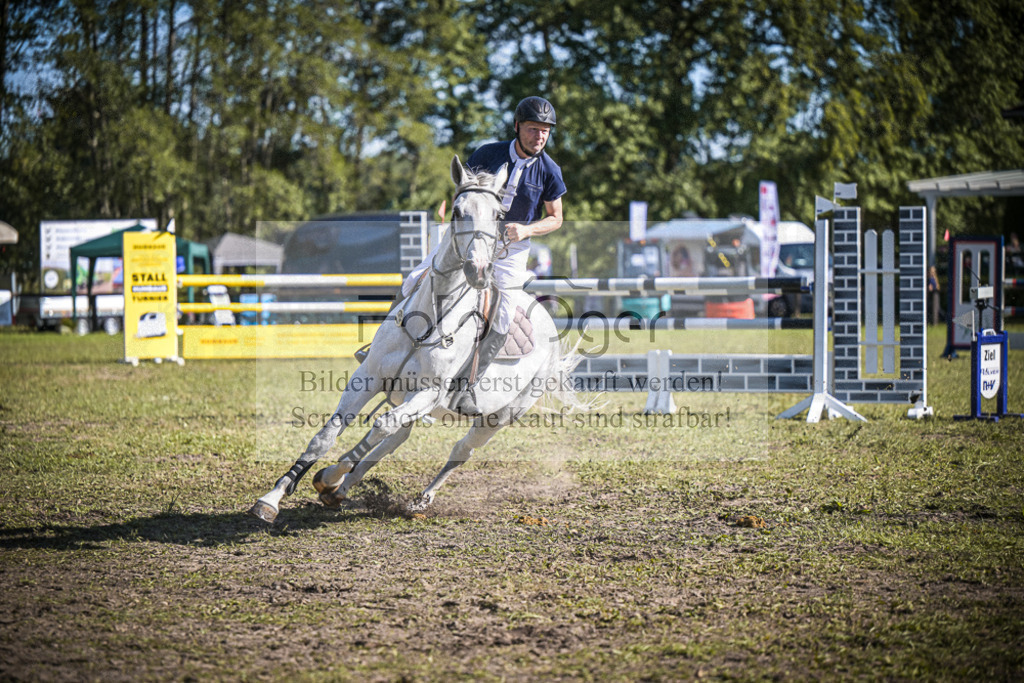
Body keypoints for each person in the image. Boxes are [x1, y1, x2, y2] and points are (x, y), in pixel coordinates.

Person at [399, 96, 566, 416]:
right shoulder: (488, 154)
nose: (540, 136)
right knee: (412, 280)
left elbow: (556, 218)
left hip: (510, 251)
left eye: (545, 131)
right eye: (533, 129)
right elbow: (462, 192)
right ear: (517, 127)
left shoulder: (549, 170)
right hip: (469, 239)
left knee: (503, 313)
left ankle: (467, 386)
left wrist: (527, 231)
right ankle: (385, 352)